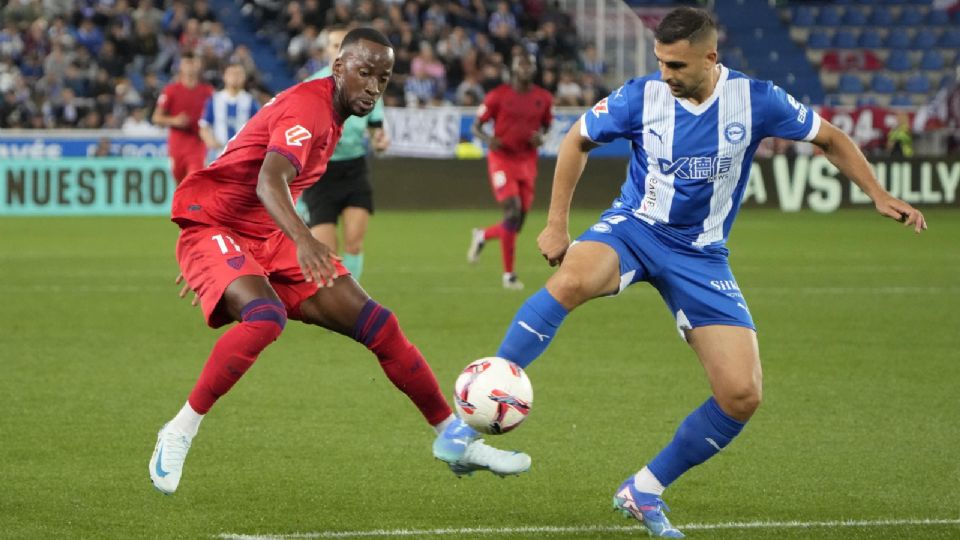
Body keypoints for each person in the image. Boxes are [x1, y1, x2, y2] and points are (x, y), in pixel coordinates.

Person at [486, 8, 927, 537]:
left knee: (742, 394)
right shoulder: (642, 95)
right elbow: (577, 137)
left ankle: (644, 491)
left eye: (675, 65)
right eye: (660, 62)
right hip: (635, 227)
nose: (665, 74)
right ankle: (484, 398)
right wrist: (558, 225)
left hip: (702, 256)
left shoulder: (756, 99)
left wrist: (876, 194)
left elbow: (830, 138)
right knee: (572, 279)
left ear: (710, 58)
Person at [149, 28, 529, 496]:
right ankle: (180, 429)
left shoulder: (335, 113)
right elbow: (270, 182)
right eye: (365, 73)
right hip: (217, 227)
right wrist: (302, 240)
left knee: (380, 326)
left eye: (383, 78)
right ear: (338, 68)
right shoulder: (308, 109)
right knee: (266, 318)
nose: (373, 86)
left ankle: (453, 438)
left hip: (260, 235)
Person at [300, 26, 389, 282]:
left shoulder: (369, 85)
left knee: (354, 244)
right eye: (333, 45)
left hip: (354, 170)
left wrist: (380, 143)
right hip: (320, 173)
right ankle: (335, 304)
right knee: (327, 253)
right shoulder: (311, 86)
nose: (339, 50)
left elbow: (376, 131)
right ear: (326, 50)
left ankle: (353, 301)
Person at [467, 53, 553, 290]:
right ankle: (509, 276)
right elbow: (475, 126)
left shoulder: (542, 98)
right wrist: (488, 139)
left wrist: (541, 137)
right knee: (512, 211)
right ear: (513, 69)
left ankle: (483, 235)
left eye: (529, 64)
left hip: (527, 161)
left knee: (517, 223)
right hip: (502, 159)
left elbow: (547, 125)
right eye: (521, 64)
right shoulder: (498, 96)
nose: (525, 68)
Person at [152, 51, 214, 184]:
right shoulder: (171, 90)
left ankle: (193, 204)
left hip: (197, 143)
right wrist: (174, 120)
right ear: (180, 66)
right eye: (187, 62)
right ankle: (181, 205)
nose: (190, 66)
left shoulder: (208, 91)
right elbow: (156, 117)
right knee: (180, 186)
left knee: (193, 180)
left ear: (199, 65)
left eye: (193, 62)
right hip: (177, 145)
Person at [199, 63, 260, 159]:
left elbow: (259, 127)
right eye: (231, 73)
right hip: (218, 155)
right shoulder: (215, 100)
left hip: (242, 155)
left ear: (244, 77)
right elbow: (204, 127)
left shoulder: (250, 101)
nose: (235, 77)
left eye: (238, 74)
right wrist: (210, 141)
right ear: (224, 76)